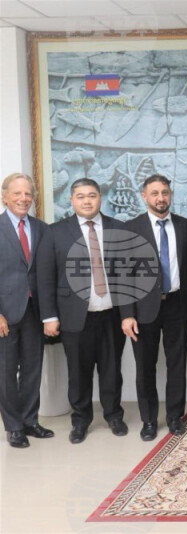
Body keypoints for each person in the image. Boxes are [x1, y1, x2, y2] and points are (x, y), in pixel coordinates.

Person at [38, 178, 127, 444]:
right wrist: (49, 316)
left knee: (112, 370)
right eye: (80, 196)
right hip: (74, 316)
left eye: (91, 195)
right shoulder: (55, 232)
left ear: (100, 197)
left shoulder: (118, 228)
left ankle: (114, 415)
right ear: (71, 200)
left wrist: (129, 313)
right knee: (78, 372)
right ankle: (80, 420)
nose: (87, 201)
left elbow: (128, 275)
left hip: (112, 314)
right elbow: (46, 278)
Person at [120, 175, 187, 441]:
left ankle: (175, 417)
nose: (160, 198)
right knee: (145, 366)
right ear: (144, 196)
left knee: (177, 364)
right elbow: (123, 276)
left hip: (178, 305)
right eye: (154, 193)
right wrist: (127, 314)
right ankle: (149, 420)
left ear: (170, 194)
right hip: (143, 308)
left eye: (164, 192)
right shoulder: (131, 229)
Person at [0, 173, 55, 448]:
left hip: (35, 311)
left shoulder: (42, 229)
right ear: (4, 197)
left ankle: (30, 421)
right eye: (17, 193)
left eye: (28, 194)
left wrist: (50, 314)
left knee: (33, 369)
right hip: (5, 313)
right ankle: (13, 427)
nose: (24, 199)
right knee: (6, 372)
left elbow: (47, 272)